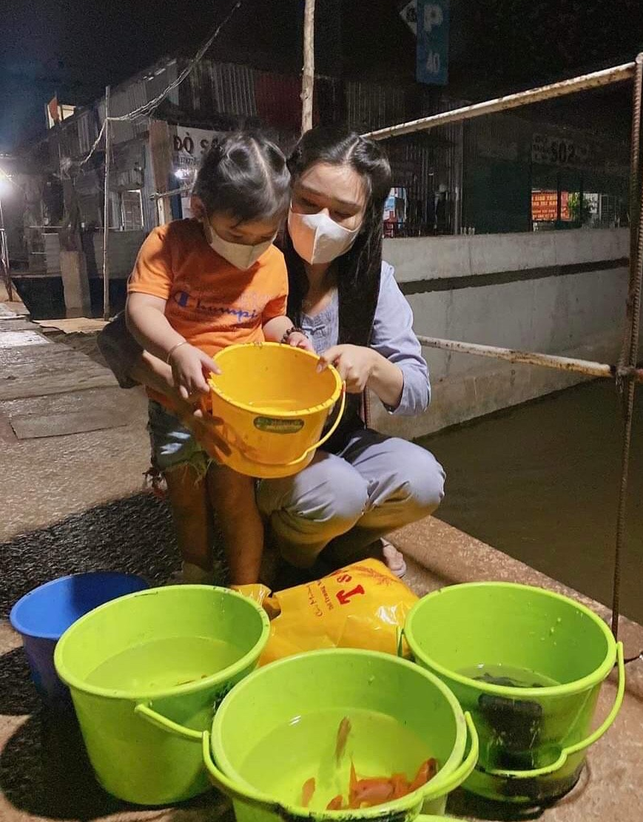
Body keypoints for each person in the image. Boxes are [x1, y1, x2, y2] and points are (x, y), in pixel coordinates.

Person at [99, 126, 445, 579]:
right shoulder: (239, 239)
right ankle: (276, 557)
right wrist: (187, 401)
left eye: (343, 212)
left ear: (367, 217)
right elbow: (118, 337)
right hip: (252, 438)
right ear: (286, 193)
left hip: (328, 438)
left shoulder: (364, 280)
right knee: (321, 492)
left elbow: (416, 389)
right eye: (308, 202)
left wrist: (375, 366)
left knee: (420, 478)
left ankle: (337, 547)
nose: (321, 221)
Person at [123, 131, 311, 588]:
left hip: (236, 406)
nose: (249, 248)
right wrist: (179, 349)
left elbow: (271, 318)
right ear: (200, 209)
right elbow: (139, 311)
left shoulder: (273, 263)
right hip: (174, 405)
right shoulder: (168, 245)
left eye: (265, 236)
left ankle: (246, 586)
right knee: (187, 501)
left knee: (236, 499)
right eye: (235, 234)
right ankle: (195, 574)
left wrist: (291, 335)